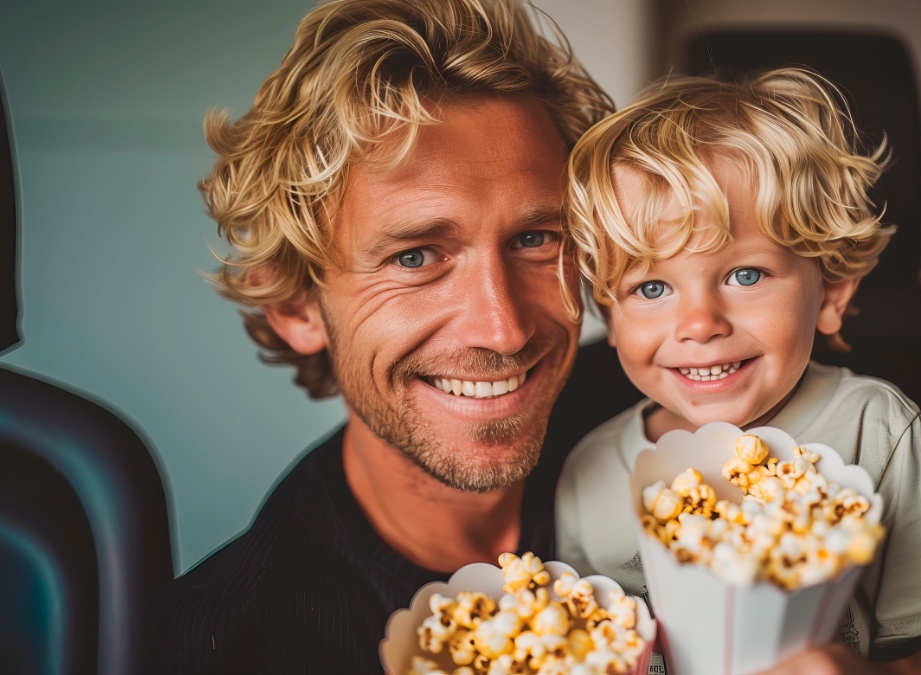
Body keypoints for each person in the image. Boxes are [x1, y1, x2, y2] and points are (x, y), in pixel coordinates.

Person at [145, 0, 614, 671]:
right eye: (417, 256)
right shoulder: (230, 642)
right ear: (296, 305)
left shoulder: (689, 416)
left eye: (536, 239)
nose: (503, 328)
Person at [555, 70, 921, 673]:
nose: (699, 323)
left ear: (830, 295)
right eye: (652, 286)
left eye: (745, 275)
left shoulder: (875, 429)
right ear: (608, 315)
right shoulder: (588, 473)